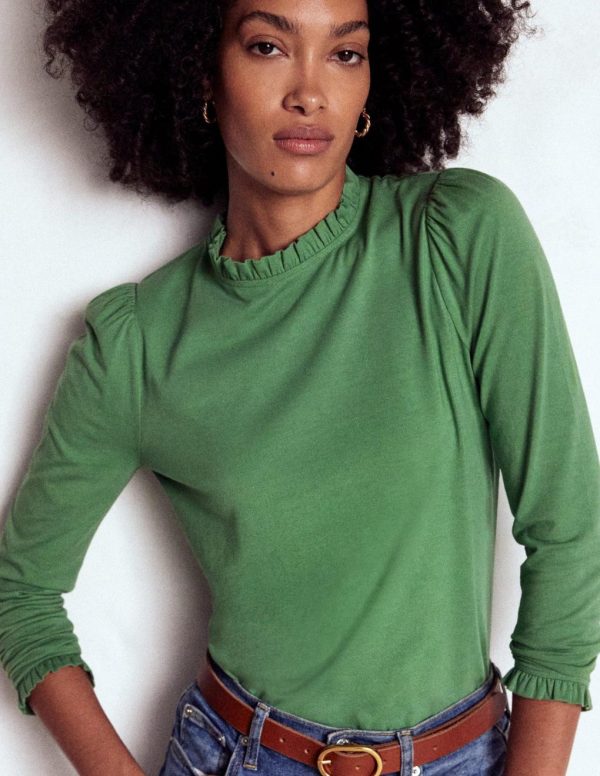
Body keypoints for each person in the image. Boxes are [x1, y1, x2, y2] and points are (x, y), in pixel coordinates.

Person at [0, 0, 599, 774]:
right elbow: (21, 592)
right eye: (267, 46)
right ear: (203, 72)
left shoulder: (454, 238)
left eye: (345, 54)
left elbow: (571, 530)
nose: (310, 92)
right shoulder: (139, 343)